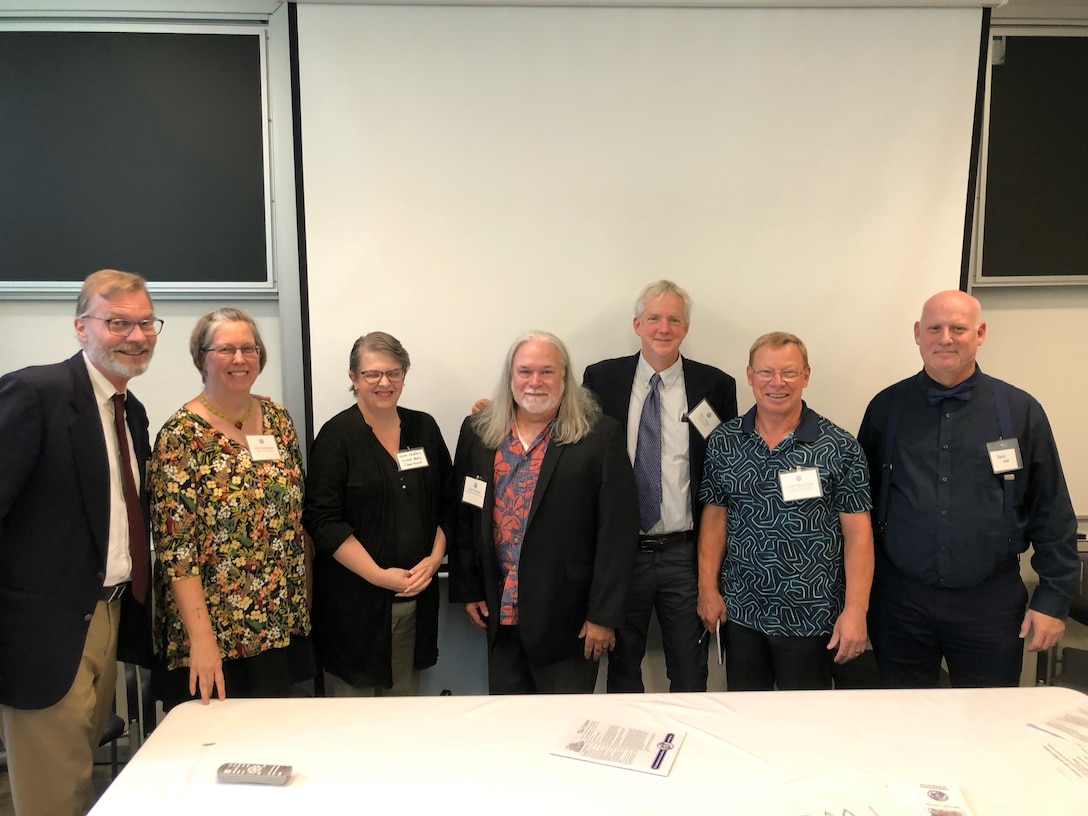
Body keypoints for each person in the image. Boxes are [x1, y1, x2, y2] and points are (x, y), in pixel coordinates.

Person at [857, 290, 1079, 688]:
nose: (946, 338)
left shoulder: (1019, 410)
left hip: (990, 604)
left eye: (958, 328)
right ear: (917, 334)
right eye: (935, 328)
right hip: (900, 603)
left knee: (987, 725)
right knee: (902, 724)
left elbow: (1051, 508)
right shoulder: (885, 408)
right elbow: (859, 510)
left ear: (980, 333)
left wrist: (1052, 599)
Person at [0, 269, 158, 816]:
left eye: (144, 323)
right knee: (52, 795)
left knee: (79, 781)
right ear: (80, 327)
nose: (136, 336)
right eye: (118, 322)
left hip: (111, 615)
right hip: (45, 631)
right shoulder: (34, 393)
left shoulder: (130, 412)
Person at [449, 331, 639, 694]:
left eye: (547, 372)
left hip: (569, 620)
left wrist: (602, 616)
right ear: (510, 377)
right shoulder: (478, 432)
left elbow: (617, 532)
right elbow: (465, 515)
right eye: (524, 372)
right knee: (511, 728)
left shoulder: (599, 436)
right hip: (499, 612)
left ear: (565, 377)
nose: (535, 382)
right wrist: (470, 587)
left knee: (563, 729)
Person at [149, 307, 312, 711]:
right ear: (201, 357)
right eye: (225, 349)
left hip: (275, 623)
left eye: (248, 348)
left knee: (273, 746)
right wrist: (203, 643)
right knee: (214, 756)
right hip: (212, 632)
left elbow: (296, 516)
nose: (239, 359)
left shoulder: (277, 420)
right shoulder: (180, 435)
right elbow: (176, 551)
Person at [582, 280, 737, 693]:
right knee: (622, 670)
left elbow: (725, 469)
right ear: (637, 324)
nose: (663, 328)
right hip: (621, 554)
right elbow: (569, 435)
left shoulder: (716, 386)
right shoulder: (601, 378)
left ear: (685, 328)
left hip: (683, 555)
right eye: (654, 318)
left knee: (690, 671)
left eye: (674, 319)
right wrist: (501, 409)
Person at [697, 332, 873, 691]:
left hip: (812, 617)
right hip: (742, 612)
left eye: (789, 373)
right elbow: (715, 520)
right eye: (766, 373)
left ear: (806, 376)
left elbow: (859, 535)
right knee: (746, 718)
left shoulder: (839, 446)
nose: (777, 383)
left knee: (804, 727)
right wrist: (707, 589)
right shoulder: (724, 442)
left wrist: (856, 611)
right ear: (749, 376)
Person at [304, 332, 454, 696]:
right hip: (353, 606)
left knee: (402, 711)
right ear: (353, 378)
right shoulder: (336, 436)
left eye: (394, 372)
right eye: (372, 374)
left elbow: (448, 503)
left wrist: (434, 561)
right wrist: (379, 576)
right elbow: (322, 521)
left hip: (414, 600)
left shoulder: (424, 428)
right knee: (353, 720)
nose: (384, 383)